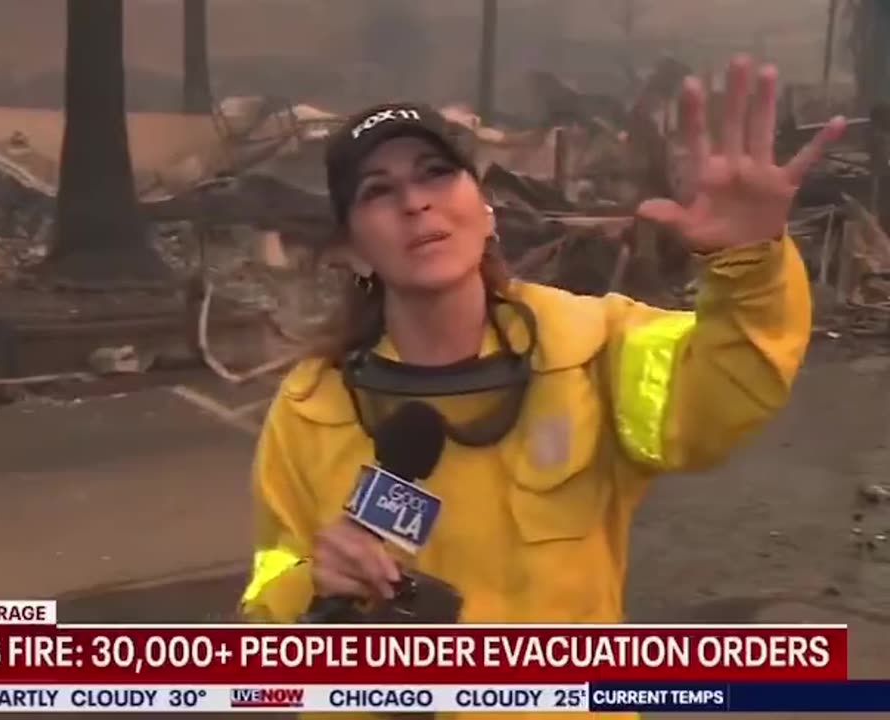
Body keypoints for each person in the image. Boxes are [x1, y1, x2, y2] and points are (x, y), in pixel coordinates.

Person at [238, 55, 845, 717]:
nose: (415, 202)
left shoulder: (593, 347)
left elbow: (732, 388)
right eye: (378, 191)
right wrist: (311, 588)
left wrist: (747, 263)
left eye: (437, 173)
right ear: (350, 248)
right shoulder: (309, 408)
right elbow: (269, 611)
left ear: (484, 207)